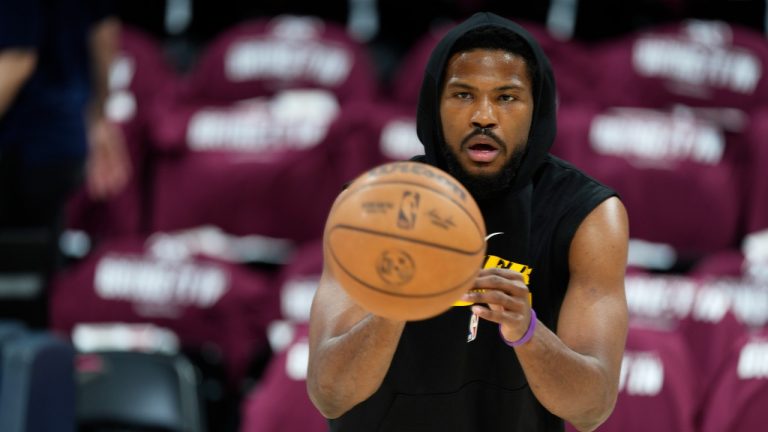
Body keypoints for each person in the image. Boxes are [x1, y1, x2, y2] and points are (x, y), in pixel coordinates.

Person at [306, 11, 629, 432]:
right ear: (432, 106)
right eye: (462, 95)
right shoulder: (369, 210)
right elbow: (330, 394)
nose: (483, 116)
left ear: (538, 109)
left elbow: (591, 409)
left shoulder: (589, 216)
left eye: (507, 97)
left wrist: (527, 331)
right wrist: (395, 306)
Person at [0, 0, 130, 327]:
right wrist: (98, 114)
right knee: (41, 281)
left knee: (20, 294)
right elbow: (104, 32)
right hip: (63, 138)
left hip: (22, 142)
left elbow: (15, 61)